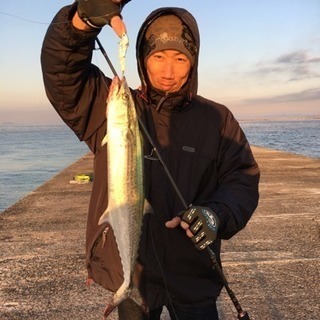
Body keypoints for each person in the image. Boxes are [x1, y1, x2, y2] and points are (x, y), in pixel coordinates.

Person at [41, 1, 260, 319]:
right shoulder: (112, 107)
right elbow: (64, 77)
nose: (168, 72)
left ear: (193, 62)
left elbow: (241, 179)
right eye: (158, 56)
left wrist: (216, 215)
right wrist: (81, 23)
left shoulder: (217, 119)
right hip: (133, 275)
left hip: (195, 273)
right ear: (143, 57)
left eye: (180, 58)